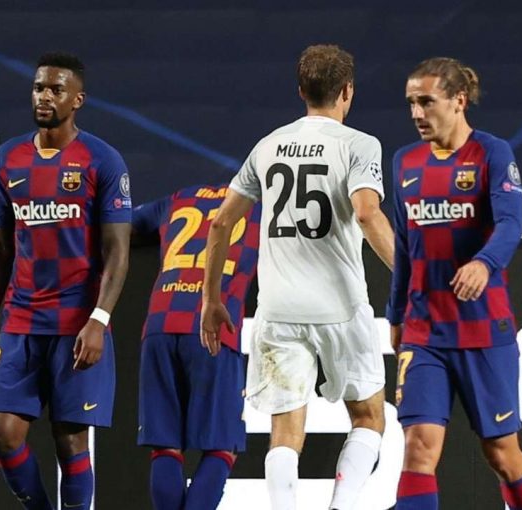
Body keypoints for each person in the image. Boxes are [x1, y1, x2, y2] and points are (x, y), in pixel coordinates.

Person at [201, 44, 395, 510]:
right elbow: (367, 213)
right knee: (369, 418)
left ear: (301, 91)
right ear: (347, 92)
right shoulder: (359, 144)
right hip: (340, 307)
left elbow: (221, 223)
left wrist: (211, 299)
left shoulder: (268, 145)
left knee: (285, 433)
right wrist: (411, 275)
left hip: (278, 310)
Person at [0, 52, 132, 510]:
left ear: (77, 99)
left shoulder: (102, 160)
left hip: (76, 322)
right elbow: (1, 246)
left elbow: (117, 252)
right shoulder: (10, 158)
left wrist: (99, 319)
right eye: (39, 88)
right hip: (21, 320)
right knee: (1, 433)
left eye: (56, 90)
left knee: (70, 442)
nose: (44, 97)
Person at [388, 57, 522, 510]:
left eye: (427, 102)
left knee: (502, 454)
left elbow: (510, 223)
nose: (417, 113)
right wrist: (396, 315)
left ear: (459, 101)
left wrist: (484, 264)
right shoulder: (404, 162)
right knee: (418, 447)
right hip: (424, 332)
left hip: (482, 330)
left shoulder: (492, 153)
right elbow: (404, 247)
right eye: (411, 103)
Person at [133, 183, 260, 509]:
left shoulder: (179, 198)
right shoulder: (260, 208)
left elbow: (121, 224)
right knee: (222, 446)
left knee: (165, 445)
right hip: (214, 329)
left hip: (159, 325)